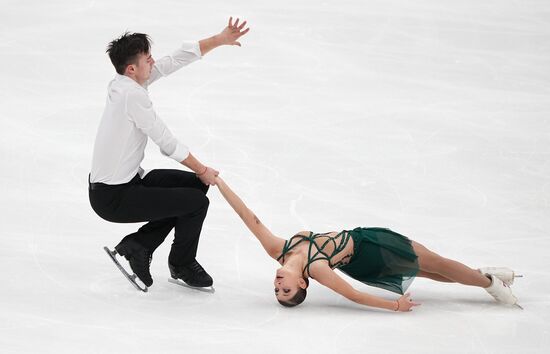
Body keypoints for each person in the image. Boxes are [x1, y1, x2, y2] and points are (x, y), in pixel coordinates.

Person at [89, 18, 250, 290]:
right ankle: (182, 263)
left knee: (194, 188)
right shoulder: (132, 96)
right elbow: (166, 141)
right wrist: (202, 168)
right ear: (131, 69)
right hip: (113, 197)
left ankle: (140, 245)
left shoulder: (124, 82)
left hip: (128, 183)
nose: (152, 62)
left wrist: (218, 39)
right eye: (147, 59)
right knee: (196, 202)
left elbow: (170, 62)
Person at [214, 176, 521, 311]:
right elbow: (354, 295)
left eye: (277, 290)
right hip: (373, 253)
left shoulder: (278, 250)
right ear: (303, 285)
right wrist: (394, 306)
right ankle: (490, 282)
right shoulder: (317, 269)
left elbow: (247, 216)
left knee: (430, 269)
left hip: (367, 238)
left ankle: (482, 275)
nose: (279, 285)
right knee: (435, 264)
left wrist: (217, 182)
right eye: (286, 291)